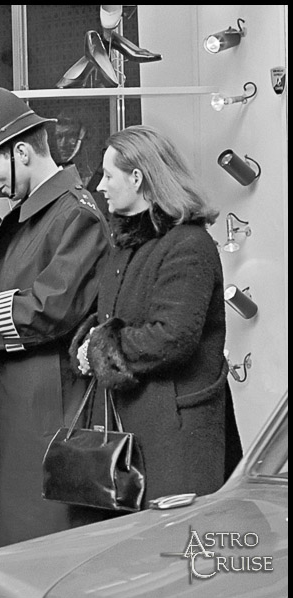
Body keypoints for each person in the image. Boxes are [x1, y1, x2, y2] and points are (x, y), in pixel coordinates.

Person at [0, 87, 110, 552]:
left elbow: (48, 309)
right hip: (17, 421)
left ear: (21, 150)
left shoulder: (76, 216)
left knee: (41, 564)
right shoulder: (27, 218)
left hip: (44, 426)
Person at [70, 124, 242, 501]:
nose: (99, 185)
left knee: (175, 554)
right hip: (135, 434)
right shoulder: (127, 246)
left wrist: (100, 346)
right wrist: (90, 341)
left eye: (107, 175)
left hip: (176, 443)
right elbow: (115, 318)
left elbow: (173, 336)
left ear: (137, 177)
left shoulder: (189, 245)